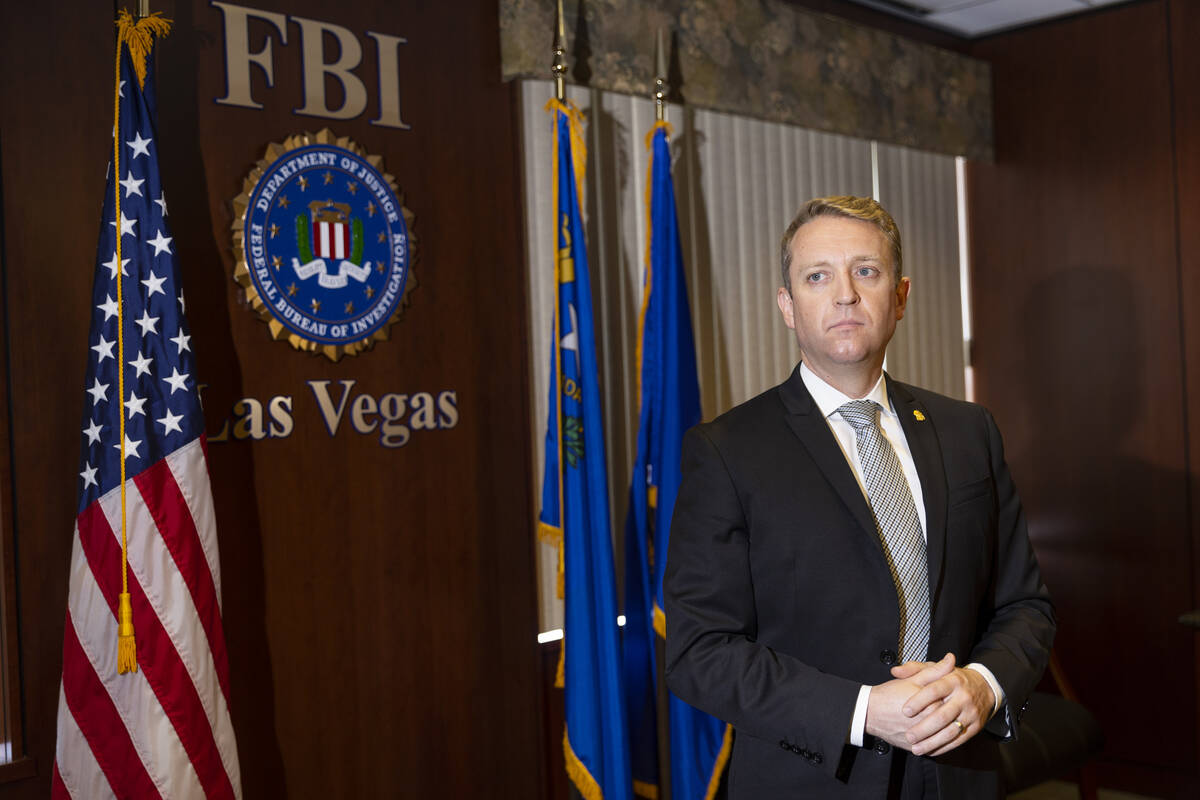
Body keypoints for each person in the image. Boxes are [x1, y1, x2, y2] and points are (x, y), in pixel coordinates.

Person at [664, 196, 1055, 798]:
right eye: (817, 276)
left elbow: (1024, 605)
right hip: (813, 778)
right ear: (787, 307)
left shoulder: (968, 431)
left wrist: (984, 684)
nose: (844, 294)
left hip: (960, 775)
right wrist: (864, 709)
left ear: (899, 296)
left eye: (865, 271)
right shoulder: (726, 451)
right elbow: (700, 652)